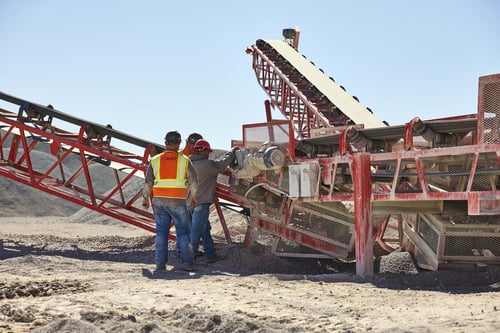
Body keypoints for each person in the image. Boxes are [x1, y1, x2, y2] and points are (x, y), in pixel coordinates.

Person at [142, 130, 194, 272]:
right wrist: (194, 197)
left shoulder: (154, 160)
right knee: (183, 233)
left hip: (159, 201)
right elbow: (194, 182)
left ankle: (160, 264)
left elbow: (148, 183)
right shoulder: (185, 161)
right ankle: (188, 263)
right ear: (178, 144)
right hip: (178, 201)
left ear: (166, 143)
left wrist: (145, 198)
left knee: (161, 232)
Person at [186, 139, 236, 264]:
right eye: (208, 151)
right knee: (196, 232)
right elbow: (223, 163)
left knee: (204, 229)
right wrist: (232, 151)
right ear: (204, 151)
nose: (209, 154)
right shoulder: (207, 165)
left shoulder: (187, 163)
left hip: (189, 203)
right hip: (201, 204)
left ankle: (210, 255)